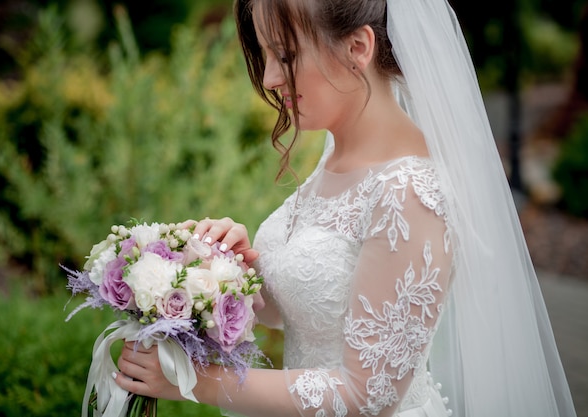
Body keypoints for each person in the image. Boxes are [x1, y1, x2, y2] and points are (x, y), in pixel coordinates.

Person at [113, 0, 578, 416]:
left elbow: (366, 395)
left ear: (358, 46)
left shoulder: (409, 193)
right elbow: (303, 309)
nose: (271, 78)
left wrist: (196, 380)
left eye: (286, 56)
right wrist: (226, 273)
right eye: (268, 55)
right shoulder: (334, 156)